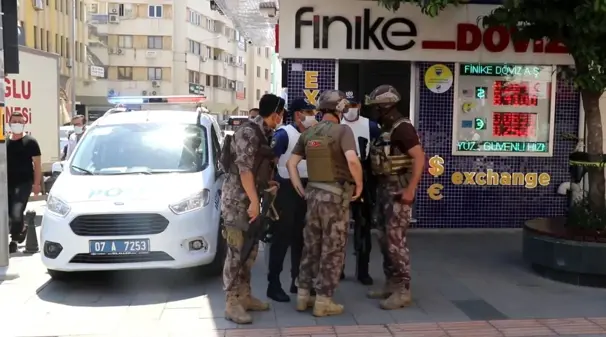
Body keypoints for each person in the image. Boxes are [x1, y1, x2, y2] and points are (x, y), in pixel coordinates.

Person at [287, 90, 363, 317]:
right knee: (332, 249)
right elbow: (352, 160)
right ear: (340, 109)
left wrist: (298, 187)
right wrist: (359, 184)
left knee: (311, 246)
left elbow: (292, 163)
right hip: (335, 198)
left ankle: (303, 296)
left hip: (313, 196)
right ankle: (323, 301)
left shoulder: (309, 133)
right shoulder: (343, 131)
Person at [221, 93, 285, 324]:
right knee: (236, 252)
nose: (282, 118)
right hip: (238, 202)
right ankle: (231, 302)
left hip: (251, 200)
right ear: (276, 113)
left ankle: (245, 296)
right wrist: (253, 202)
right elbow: (245, 170)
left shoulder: (263, 133)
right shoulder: (248, 132)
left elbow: (257, 168)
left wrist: (268, 184)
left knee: (250, 252)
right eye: (282, 113)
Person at [364, 85, 425, 310]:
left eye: (376, 107)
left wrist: (410, 189)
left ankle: (403, 290)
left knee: (395, 241)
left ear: (385, 106)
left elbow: (419, 157)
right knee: (383, 238)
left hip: (397, 191)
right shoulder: (387, 128)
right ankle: (391, 283)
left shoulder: (403, 129)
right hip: (384, 190)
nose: (374, 111)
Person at [266, 98, 317, 302]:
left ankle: (298, 281)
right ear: (298, 114)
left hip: (306, 188)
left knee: (302, 239)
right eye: (309, 112)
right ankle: (273, 284)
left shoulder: (312, 134)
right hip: (285, 190)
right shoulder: (284, 134)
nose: (313, 116)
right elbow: (271, 160)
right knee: (281, 239)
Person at [340, 99, 382, 285]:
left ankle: (363, 270)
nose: (351, 110)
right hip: (340, 176)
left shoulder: (371, 126)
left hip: (364, 178)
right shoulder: (335, 125)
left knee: (363, 227)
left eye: (354, 105)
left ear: (360, 106)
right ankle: (337, 268)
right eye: (347, 106)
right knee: (337, 227)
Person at [6, 112, 42, 253]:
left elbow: (37, 165)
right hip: (7, 183)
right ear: (9, 123)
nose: (17, 124)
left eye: (20, 122)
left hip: (24, 183)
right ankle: (20, 229)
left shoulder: (31, 142)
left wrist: (37, 184)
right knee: (8, 212)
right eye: (14, 121)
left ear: (24, 124)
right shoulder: (5, 142)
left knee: (17, 210)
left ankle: (14, 240)